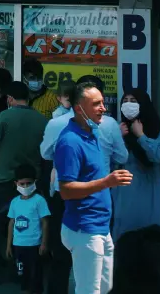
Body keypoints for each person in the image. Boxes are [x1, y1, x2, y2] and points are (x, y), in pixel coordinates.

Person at [55, 80, 133, 294]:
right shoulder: (69, 141)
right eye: (96, 104)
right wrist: (108, 182)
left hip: (100, 226)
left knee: (105, 288)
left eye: (102, 102)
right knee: (90, 290)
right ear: (79, 108)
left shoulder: (94, 131)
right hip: (84, 229)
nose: (103, 108)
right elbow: (66, 190)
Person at [0, 80, 48, 283]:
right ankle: (25, 271)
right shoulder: (41, 120)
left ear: (9, 99)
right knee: (29, 226)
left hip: (5, 180)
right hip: (31, 182)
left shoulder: (5, 116)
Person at [111, 88, 160, 241]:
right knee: (126, 233)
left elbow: (158, 156)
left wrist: (141, 136)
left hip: (149, 187)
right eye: (125, 101)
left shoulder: (155, 127)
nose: (128, 105)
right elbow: (108, 161)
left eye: (133, 101)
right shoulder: (117, 128)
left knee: (152, 233)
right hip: (124, 189)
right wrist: (117, 138)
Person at [6, 164, 51, 294]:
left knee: (35, 275)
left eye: (28, 183)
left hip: (34, 246)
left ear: (34, 182)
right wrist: (9, 245)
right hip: (18, 246)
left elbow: (45, 222)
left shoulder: (39, 200)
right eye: (22, 184)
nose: (25, 187)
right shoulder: (14, 202)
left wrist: (44, 244)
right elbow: (11, 223)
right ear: (16, 183)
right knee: (22, 274)